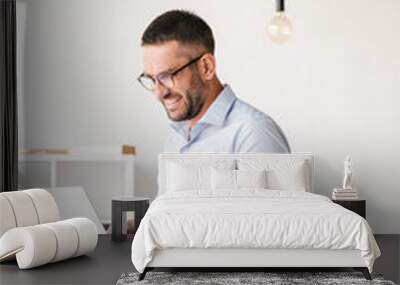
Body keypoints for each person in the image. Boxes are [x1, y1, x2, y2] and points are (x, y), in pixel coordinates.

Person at [138, 10, 290, 153]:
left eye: (167, 76)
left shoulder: (254, 133)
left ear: (206, 67)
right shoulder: (175, 140)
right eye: (151, 79)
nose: (159, 93)